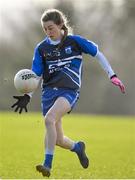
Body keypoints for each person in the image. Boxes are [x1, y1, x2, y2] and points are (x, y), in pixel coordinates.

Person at [11, 9, 125, 177]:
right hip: (48, 93)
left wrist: (112, 75)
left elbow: (98, 54)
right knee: (57, 139)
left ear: (60, 25)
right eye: (45, 29)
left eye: (51, 28)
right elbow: (35, 76)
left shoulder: (74, 42)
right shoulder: (41, 48)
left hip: (69, 91)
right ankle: (78, 147)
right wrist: (27, 96)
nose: (48, 32)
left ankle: (47, 165)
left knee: (49, 119)